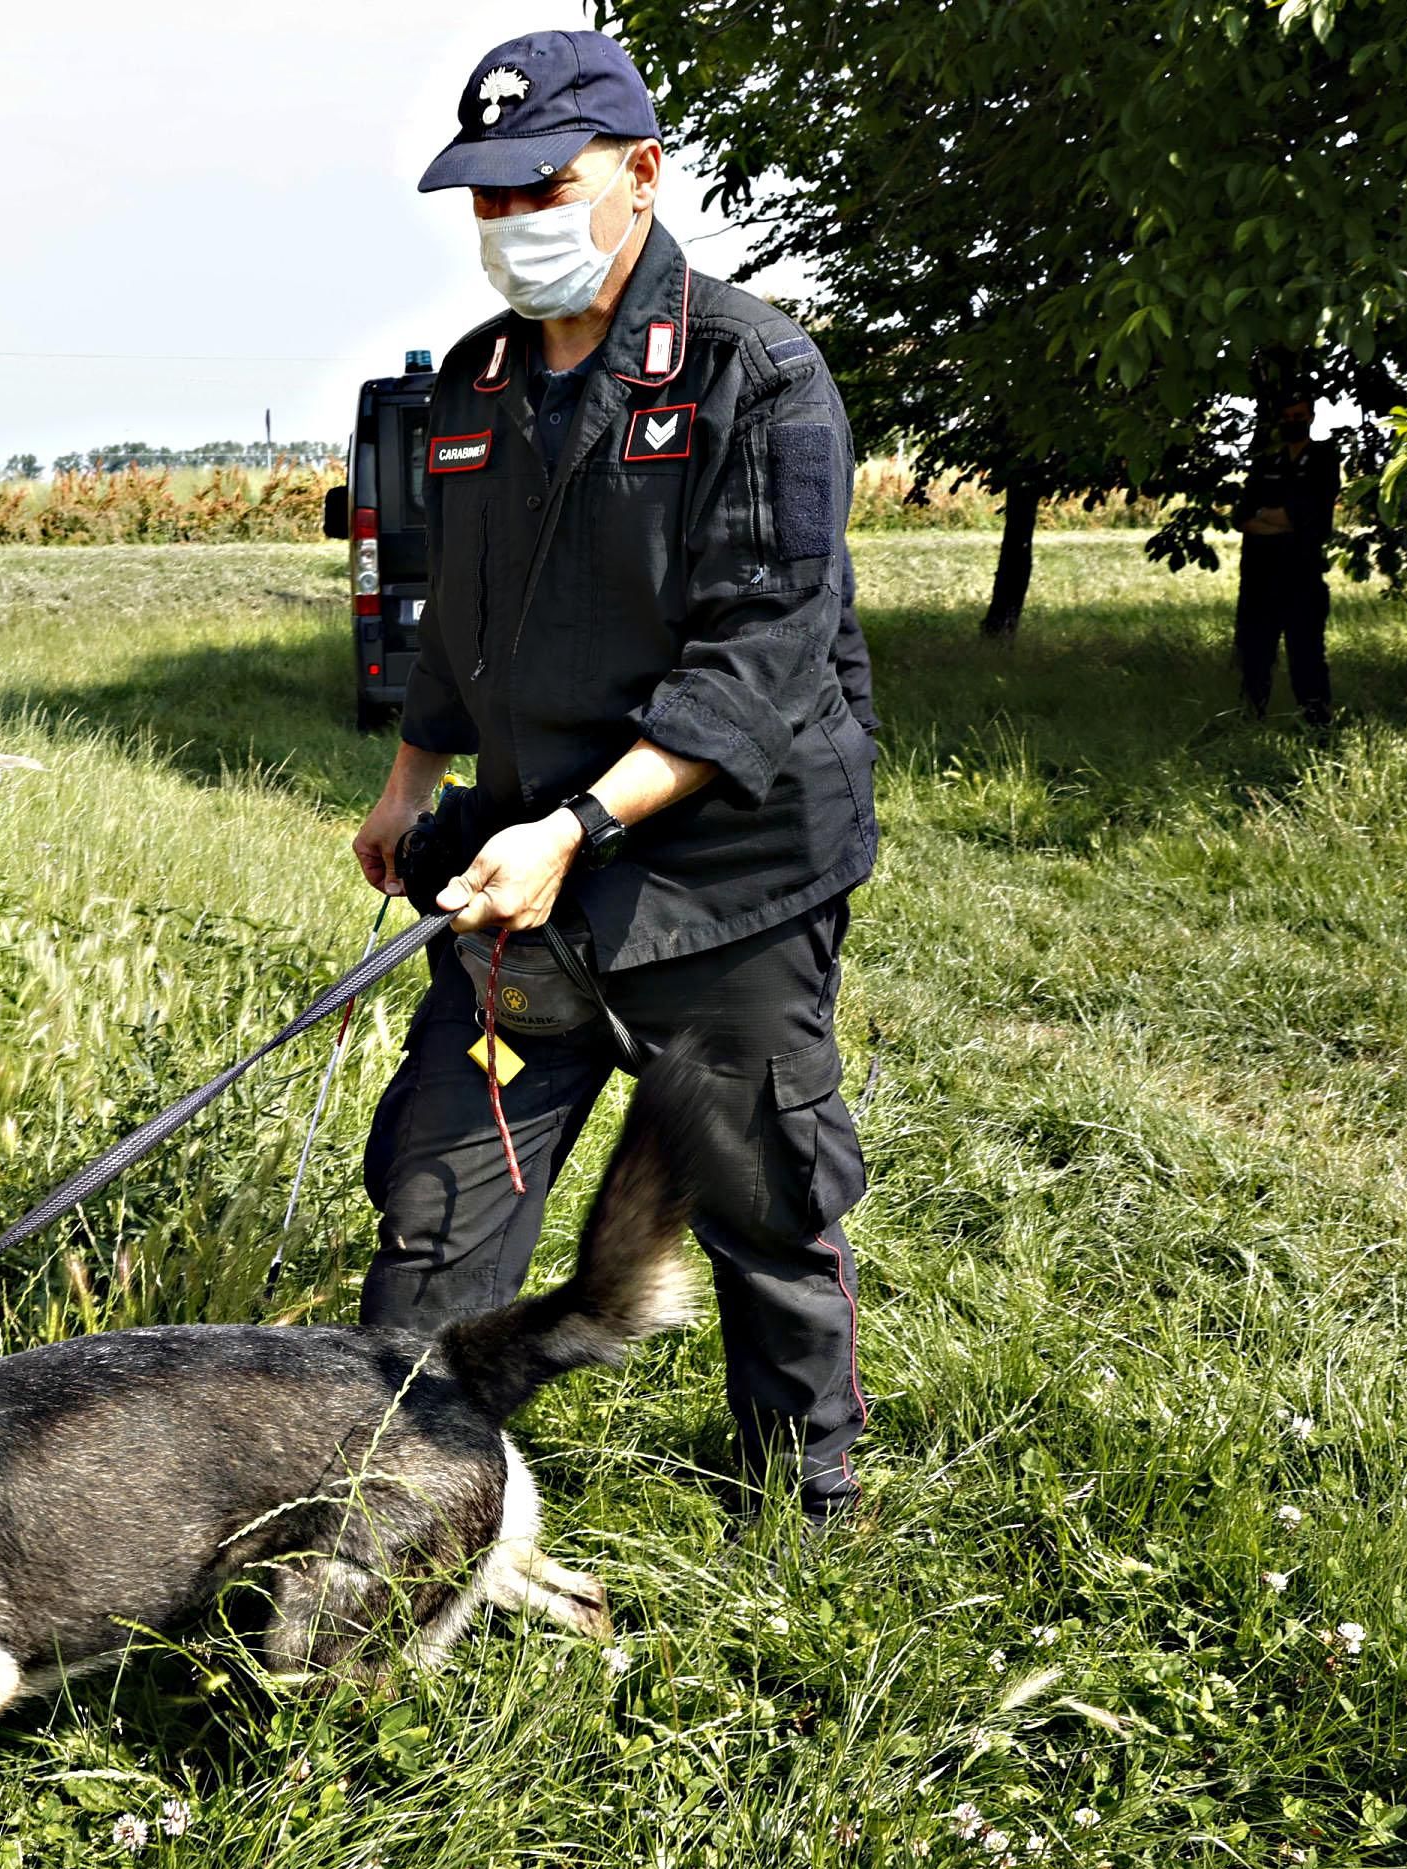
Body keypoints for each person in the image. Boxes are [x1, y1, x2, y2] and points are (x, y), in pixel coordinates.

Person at [350, 30, 879, 1521]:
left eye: (543, 183)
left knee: (758, 1183)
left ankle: (808, 1493)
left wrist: (582, 822)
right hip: (521, 880)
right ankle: (398, 1502)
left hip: (724, 871)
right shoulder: (473, 388)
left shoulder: (753, 374)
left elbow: (760, 659)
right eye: (483, 194)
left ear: (641, 177)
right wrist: (412, 780)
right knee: (436, 1202)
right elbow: (456, 617)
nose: (509, 219)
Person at [1232, 395, 1341, 725]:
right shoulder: (1266, 463)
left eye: (1299, 415)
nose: (1293, 420)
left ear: (1311, 417)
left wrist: (1272, 518)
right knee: (1254, 652)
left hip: (1302, 576)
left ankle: (1318, 722)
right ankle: (1251, 716)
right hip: (1259, 576)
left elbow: (1315, 516)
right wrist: (1278, 520)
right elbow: (1242, 516)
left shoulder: (1323, 458)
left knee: (1306, 654)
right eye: (1287, 415)